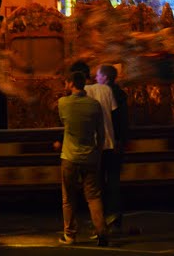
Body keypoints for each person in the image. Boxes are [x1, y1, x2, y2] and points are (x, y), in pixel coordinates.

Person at [57, 71, 109, 247]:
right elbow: (101, 134)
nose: (64, 86)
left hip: (69, 157)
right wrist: (98, 154)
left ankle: (70, 235)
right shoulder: (94, 106)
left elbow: (65, 123)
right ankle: (102, 233)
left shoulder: (63, 103)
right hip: (90, 157)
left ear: (71, 83)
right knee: (93, 197)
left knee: (68, 198)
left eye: (66, 83)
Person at [98, 64, 128, 232]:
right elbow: (123, 120)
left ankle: (106, 218)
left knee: (102, 181)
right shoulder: (120, 94)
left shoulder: (105, 94)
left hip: (106, 144)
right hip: (116, 143)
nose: (96, 79)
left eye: (98, 76)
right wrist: (121, 139)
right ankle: (116, 219)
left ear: (105, 78)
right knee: (114, 181)